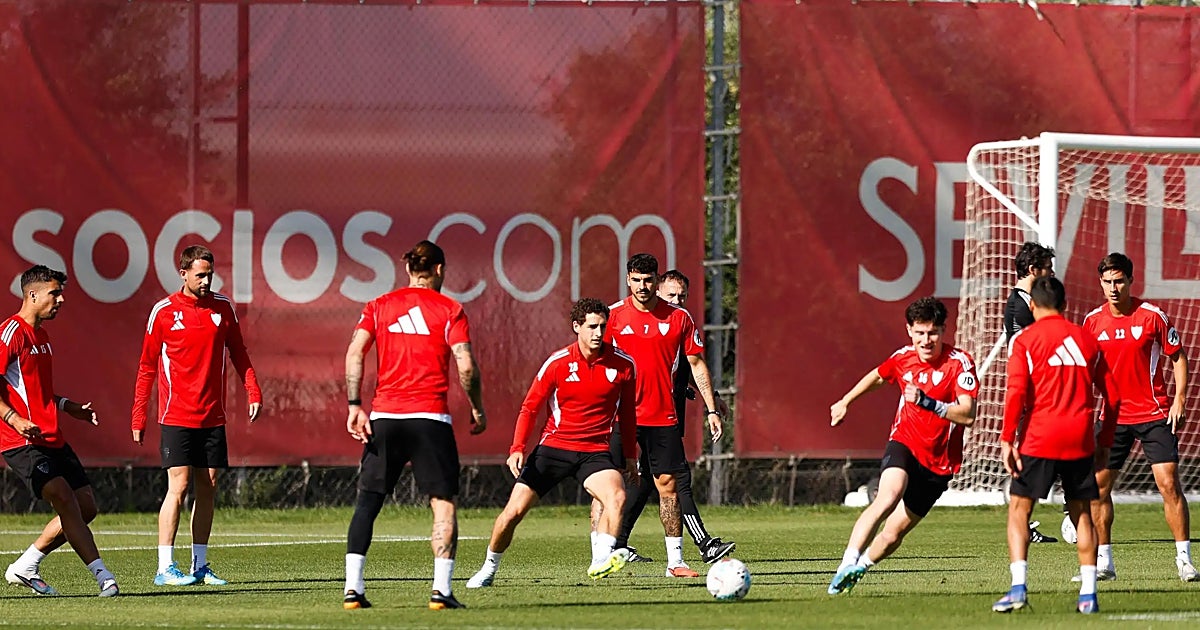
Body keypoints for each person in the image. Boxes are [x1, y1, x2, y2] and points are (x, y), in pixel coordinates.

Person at [342, 240, 487, 611]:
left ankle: (353, 589)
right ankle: (441, 591)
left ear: (408, 269)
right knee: (443, 503)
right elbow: (466, 366)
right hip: (429, 419)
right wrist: (476, 407)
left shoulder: (378, 306)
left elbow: (355, 353)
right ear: (439, 270)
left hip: (384, 417)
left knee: (368, 502)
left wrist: (355, 405)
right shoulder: (450, 309)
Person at [465, 298, 638, 588]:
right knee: (513, 513)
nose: (598, 333)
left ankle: (602, 559)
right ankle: (488, 568)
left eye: (602, 326)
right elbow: (530, 407)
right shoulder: (558, 363)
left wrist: (630, 456)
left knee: (617, 496)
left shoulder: (623, 364)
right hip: (554, 449)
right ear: (576, 327)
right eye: (592, 327)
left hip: (594, 452)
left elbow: (629, 415)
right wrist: (517, 448)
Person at [132, 244, 263, 587]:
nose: (206, 281)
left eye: (210, 275)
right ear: (184, 274)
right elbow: (146, 367)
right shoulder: (163, 311)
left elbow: (239, 352)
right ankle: (164, 567)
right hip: (176, 415)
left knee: (209, 486)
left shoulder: (223, 307)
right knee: (179, 485)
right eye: (200, 275)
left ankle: (200, 565)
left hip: (212, 416)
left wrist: (253, 390)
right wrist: (138, 416)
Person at [827, 297, 978, 594]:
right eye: (919, 333)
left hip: (939, 464)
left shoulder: (959, 363)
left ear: (943, 331)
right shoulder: (903, 358)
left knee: (893, 534)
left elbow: (968, 415)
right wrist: (846, 401)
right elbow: (878, 377)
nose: (926, 340)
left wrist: (928, 402)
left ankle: (858, 569)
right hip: (905, 443)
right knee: (887, 497)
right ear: (909, 331)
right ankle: (846, 563)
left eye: (932, 333)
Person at [992, 276, 1114, 615]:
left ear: (1032, 305)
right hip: (1079, 438)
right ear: (1065, 305)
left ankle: (1018, 588)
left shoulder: (1025, 340)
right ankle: (1088, 595)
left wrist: (1007, 439)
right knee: (1082, 513)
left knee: (1020, 510)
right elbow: (1113, 395)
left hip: (1039, 437)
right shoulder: (1086, 339)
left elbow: (1016, 392)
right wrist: (1104, 441)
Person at [600, 254, 727, 578]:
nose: (643, 286)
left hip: (662, 417)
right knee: (608, 484)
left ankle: (676, 562)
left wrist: (712, 408)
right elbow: (595, 362)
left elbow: (696, 364)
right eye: (637, 280)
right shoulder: (613, 317)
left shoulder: (679, 318)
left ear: (656, 280)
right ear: (628, 280)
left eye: (648, 280)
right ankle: (600, 555)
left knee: (668, 485)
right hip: (620, 417)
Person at [2, 265, 118, 597]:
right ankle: (103, 576)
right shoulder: (11, 333)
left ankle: (26, 565)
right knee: (64, 498)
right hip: (21, 441)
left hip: (50, 435)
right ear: (32, 294)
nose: (61, 300)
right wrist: (14, 419)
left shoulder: (42, 336)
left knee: (86, 507)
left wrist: (68, 406)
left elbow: (36, 392)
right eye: (55, 293)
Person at [1082, 252, 1196, 582]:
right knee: (1098, 488)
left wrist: (1179, 400)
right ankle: (1105, 562)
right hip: (1112, 417)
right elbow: (1084, 369)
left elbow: (1178, 357)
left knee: (1169, 484)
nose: (1113, 288)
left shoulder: (1152, 316)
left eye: (1119, 281)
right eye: (1107, 282)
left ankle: (1184, 559)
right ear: (1100, 283)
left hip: (1154, 413)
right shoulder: (1092, 322)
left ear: (1131, 281)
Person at [1002, 241, 1063, 545]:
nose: (1051, 275)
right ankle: (1025, 523)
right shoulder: (1019, 305)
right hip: (1033, 393)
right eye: (1047, 269)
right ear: (1032, 270)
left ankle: (1065, 512)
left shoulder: (1029, 300)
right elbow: (1026, 349)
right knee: (1032, 458)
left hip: (1041, 390)